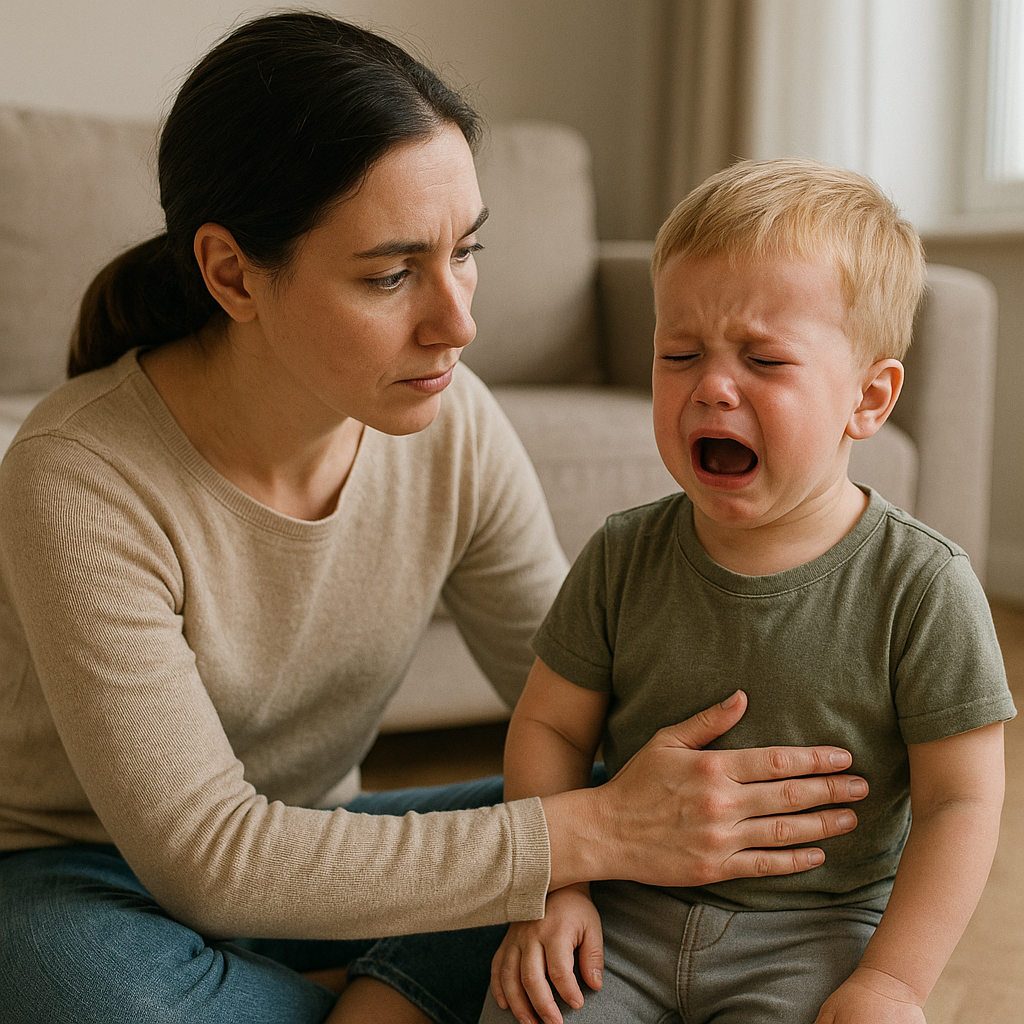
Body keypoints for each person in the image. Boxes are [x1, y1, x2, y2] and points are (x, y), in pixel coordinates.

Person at [0, 15, 873, 1024]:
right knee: (101, 995)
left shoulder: (453, 425)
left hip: (325, 852)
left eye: (467, 251)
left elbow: (591, 704)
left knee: (664, 806)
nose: (458, 321)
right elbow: (210, 859)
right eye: (389, 274)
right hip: (69, 874)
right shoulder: (78, 477)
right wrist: (575, 848)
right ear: (233, 273)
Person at [480, 159, 1016, 1024]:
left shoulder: (923, 585)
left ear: (868, 399)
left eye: (764, 359)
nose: (711, 385)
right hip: (628, 907)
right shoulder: (623, 555)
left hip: (820, 932)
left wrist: (890, 983)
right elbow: (548, 724)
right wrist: (555, 888)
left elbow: (962, 800)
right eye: (678, 354)